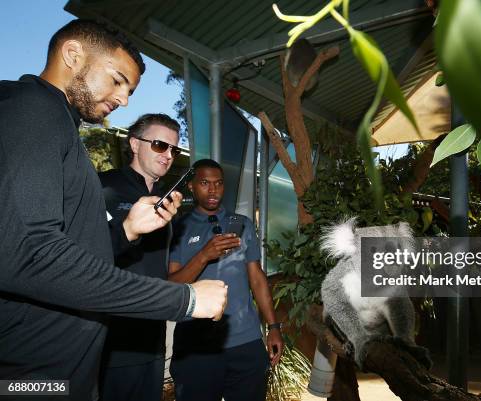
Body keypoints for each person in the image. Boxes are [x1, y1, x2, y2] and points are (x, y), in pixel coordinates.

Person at [0, 19, 226, 401]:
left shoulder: (58, 124)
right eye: (118, 80)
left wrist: (126, 232)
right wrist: (184, 300)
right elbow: (30, 253)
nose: (124, 100)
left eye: (131, 90)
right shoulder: (33, 109)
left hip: (60, 373)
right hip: (30, 378)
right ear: (73, 54)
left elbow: (64, 246)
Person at [168, 159, 284, 401]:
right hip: (196, 348)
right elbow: (171, 287)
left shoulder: (242, 224)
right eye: (205, 183)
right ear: (191, 186)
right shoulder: (178, 229)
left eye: (219, 183)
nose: (213, 190)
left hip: (246, 343)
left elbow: (257, 279)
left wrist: (273, 328)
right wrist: (204, 255)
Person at [98, 113, 183, 401]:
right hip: (111, 337)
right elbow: (82, 255)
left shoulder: (168, 199)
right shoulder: (102, 187)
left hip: (153, 335)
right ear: (134, 144)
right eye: (160, 145)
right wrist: (128, 229)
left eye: (175, 149)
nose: (169, 155)